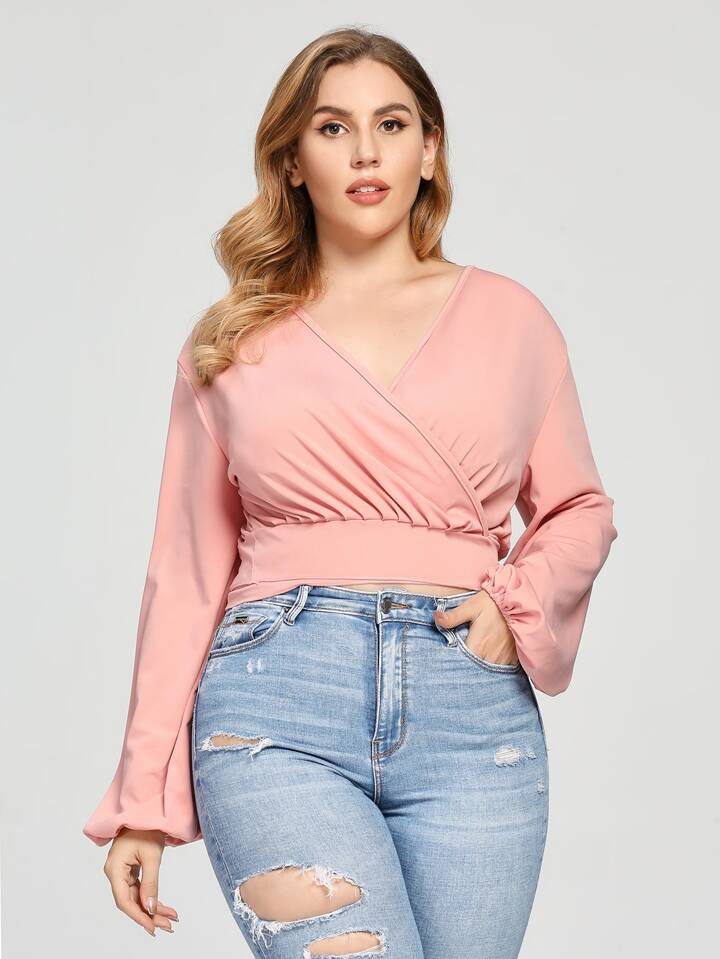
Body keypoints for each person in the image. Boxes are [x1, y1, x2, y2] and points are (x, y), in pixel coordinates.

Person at [83, 27, 618, 959]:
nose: (366, 151)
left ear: (429, 149)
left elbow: (580, 508)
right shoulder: (230, 339)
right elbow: (185, 572)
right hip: (276, 708)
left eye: (392, 124)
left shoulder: (513, 319)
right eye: (333, 127)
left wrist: (515, 604)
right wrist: (142, 800)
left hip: (473, 721)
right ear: (293, 159)